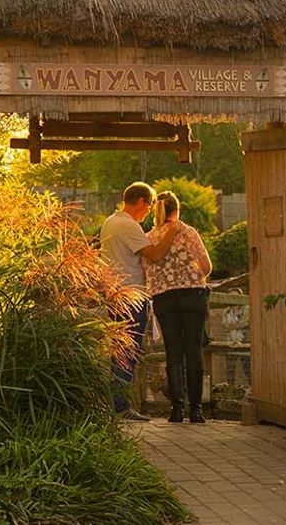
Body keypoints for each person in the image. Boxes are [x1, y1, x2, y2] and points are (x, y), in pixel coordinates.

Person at [99, 181, 186, 421]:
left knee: (119, 350)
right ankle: (120, 407)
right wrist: (173, 231)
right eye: (148, 206)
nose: (148, 211)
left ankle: (118, 404)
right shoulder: (128, 225)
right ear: (140, 202)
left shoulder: (110, 222)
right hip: (131, 296)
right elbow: (156, 254)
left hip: (116, 294)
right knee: (128, 351)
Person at [144, 190, 212, 424]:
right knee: (194, 351)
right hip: (193, 296)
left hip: (165, 299)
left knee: (173, 354)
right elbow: (206, 265)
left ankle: (176, 409)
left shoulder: (150, 237)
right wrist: (190, 274)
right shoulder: (188, 232)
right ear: (177, 210)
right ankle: (196, 410)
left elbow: (148, 271)